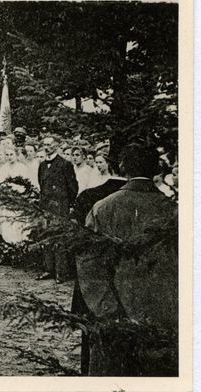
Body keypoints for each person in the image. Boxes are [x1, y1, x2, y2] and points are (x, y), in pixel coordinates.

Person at [77, 143, 178, 376]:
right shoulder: (172, 210)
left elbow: (89, 267)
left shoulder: (103, 208)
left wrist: (109, 311)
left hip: (116, 314)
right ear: (156, 169)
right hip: (164, 316)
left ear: (122, 167)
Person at [36, 134, 78, 283]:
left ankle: (62, 272)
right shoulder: (41, 165)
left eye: (50, 144)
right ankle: (49, 269)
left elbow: (72, 187)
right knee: (46, 237)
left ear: (56, 146)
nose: (47, 147)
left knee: (59, 238)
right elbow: (41, 184)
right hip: (46, 206)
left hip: (60, 206)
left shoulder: (65, 164)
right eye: (45, 144)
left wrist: (68, 204)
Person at [0, 145, 29, 244]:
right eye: (7, 155)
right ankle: (8, 245)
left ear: (16, 155)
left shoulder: (22, 168)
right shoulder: (4, 169)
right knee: (7, 223)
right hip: (7, 199)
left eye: (11, 154)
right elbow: (0, 183)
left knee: (18, 223)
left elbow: (25, 184)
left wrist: (16, 193)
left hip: (18, 198)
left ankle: (18, 245)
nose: (9, 157)